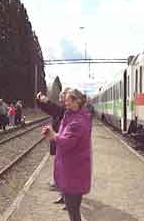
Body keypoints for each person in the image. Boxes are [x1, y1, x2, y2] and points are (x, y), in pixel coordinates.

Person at [41, 88, 93, 221]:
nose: (66, 104)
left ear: (78, 101)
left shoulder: (78, 122)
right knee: (73, 210)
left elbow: (66, 142)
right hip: (74, 168)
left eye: (68, 102)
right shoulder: (75, 115)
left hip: (73, 171)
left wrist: (53, 135)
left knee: (73, 212)